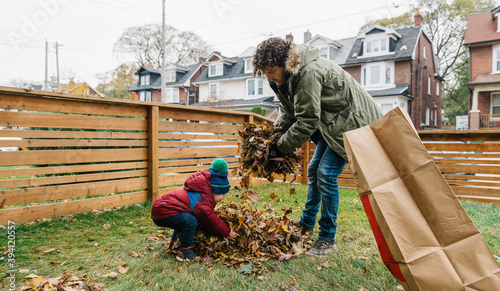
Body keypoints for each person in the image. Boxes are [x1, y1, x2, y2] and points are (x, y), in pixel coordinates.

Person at [253, 37, 383, 256]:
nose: (269, 77)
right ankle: (306, 223)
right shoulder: (284, 79)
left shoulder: (308, 73)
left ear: (284, 63)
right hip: (332, 122)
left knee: (326, 173)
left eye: (271, 71)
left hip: (352, 123)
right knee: (314, 170)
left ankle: (327, 239)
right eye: (265, 72)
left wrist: (280, 148)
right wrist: (271, 137)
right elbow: (289, 112)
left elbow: (307, 121)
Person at [150, 158, 238, 260]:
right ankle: (185, 251)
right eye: (221, 194)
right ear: (213, 190)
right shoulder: (202, 202)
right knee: (191, 221)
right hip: (163, 211)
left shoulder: (202, 193)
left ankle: (176, 241)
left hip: (163, 209)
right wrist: (227, 232)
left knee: (184, 220)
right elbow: (211, 221)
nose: (223, 197)